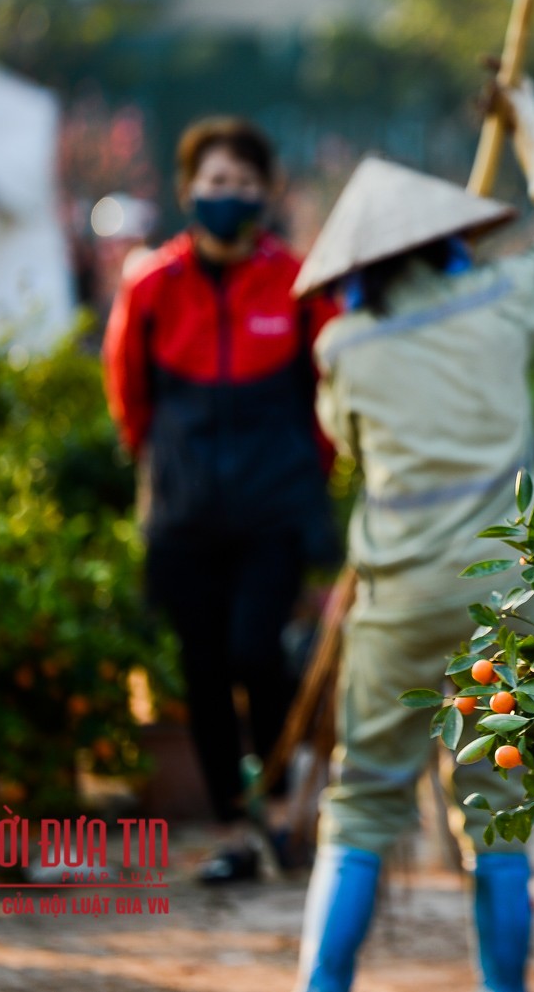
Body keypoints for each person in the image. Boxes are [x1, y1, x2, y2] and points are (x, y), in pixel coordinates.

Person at [291, 79, 534, 992]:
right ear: (445, 241)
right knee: (495, 811)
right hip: (499, 602)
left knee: (358, 807)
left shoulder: (341, 346)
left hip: (394, 602)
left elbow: (346, 443)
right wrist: (531, 121)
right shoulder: (501, 297)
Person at [103, 117, 339, 881]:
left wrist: (308, 475)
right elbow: (128, 397)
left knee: (254, 651)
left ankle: (276, 804)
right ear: (187, 193)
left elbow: (332, 393)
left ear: (267, 192)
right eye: (214, 185)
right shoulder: (151, 285)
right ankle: (237, 830)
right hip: (184, 515)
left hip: (273, 512)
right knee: (202, 670)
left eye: (242, 184)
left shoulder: (300, 283)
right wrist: (167, 472)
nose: (228, 197)